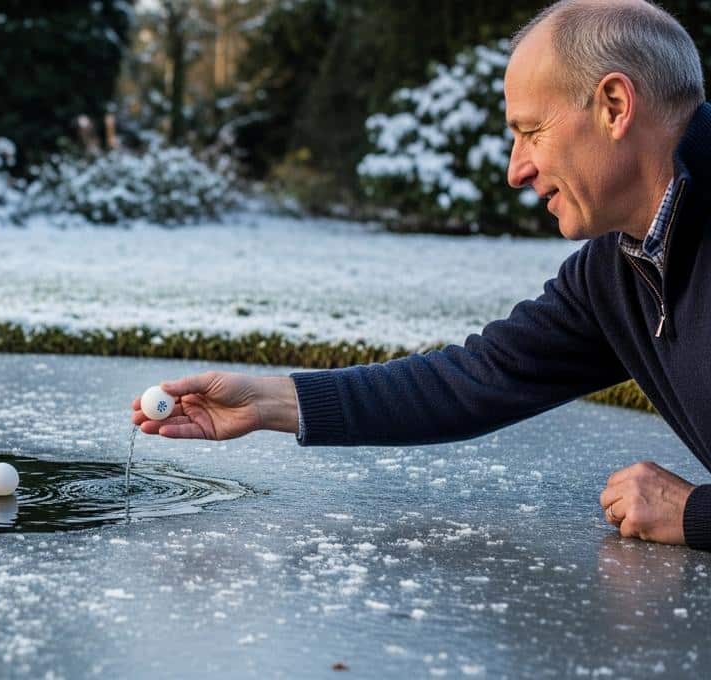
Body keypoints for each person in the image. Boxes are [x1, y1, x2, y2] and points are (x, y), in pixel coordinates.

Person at [132, 0, 711, 550]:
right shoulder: (618, 269)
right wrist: (267, 401)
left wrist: (693, 513)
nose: (517, 169)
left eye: (531, 131)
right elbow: (474, 378)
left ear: (613, 104)